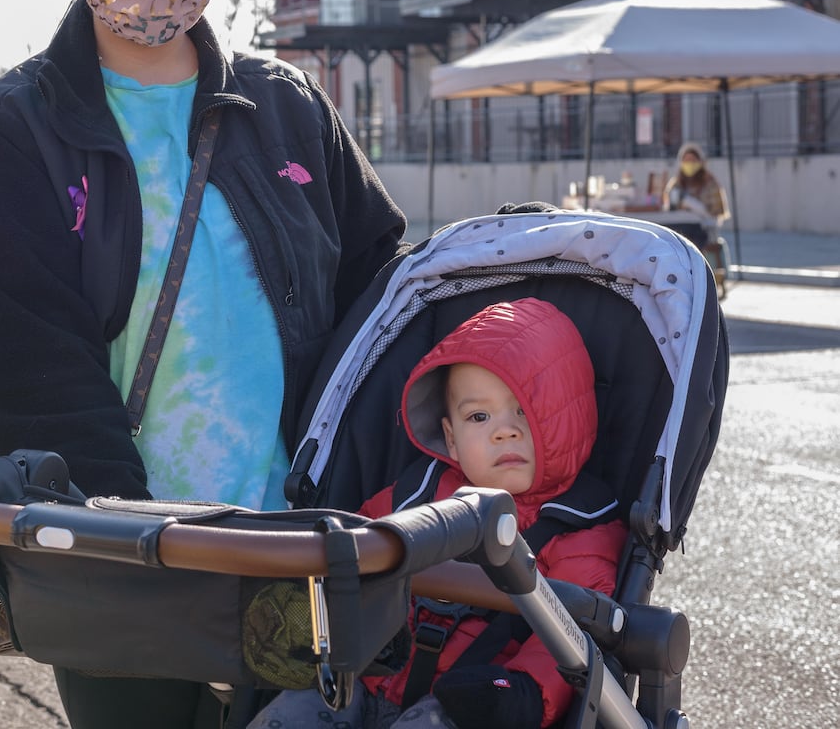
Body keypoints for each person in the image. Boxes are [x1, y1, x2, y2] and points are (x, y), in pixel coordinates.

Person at [0, 0, 408, 728]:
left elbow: (378, 285)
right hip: (125, 562)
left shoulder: (282, 103)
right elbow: (29, 361)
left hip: (301, 548)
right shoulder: (14, 128)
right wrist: (136, 541)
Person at [248, 298, 627, 729]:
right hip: (368, 676)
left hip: (470, 705)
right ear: (451, 438)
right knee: (287, 715)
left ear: (567, 418)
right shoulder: (418, 492)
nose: (505, 430)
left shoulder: (580, 528)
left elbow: (571, 639)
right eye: (479, 416)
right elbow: (352, 542)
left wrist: (524, 691)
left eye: (526, 409)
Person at [661, 141, 727, 249]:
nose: (689, 164)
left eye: (693, 160)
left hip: (703, 228)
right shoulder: (676, 182)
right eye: (686, 160)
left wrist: (693, 205)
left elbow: (716, 213)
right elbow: (669, 203)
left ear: (700, 162)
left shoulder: (710, 182)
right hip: (680, 224)